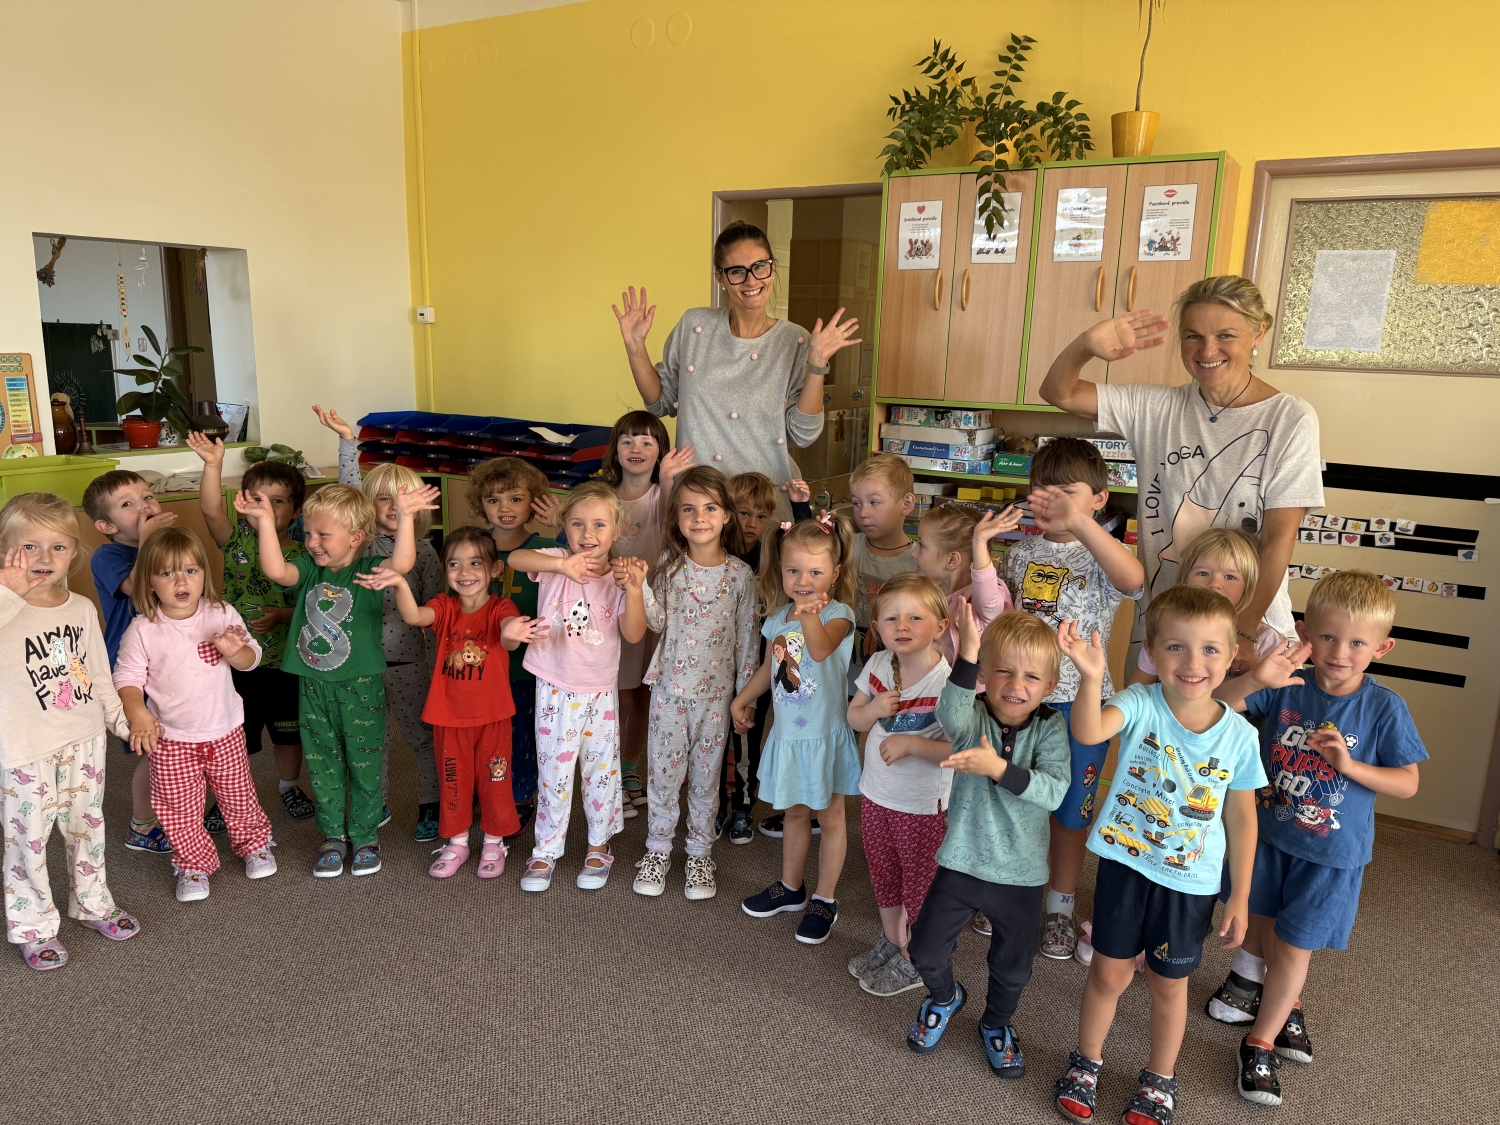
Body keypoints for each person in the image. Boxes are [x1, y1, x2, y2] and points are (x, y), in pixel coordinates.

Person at [1211, 570, 1426, 1109]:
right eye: (1327, 637)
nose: (1340, 653)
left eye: (1357, 643)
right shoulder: (1289, 684)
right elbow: (1217, 705)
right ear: (1305, 633)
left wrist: (1350, 766)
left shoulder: (1384, 708)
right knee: (1261, 927)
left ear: (1382, 648)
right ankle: (1286, 1007)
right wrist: (1257, 678)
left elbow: (1408, 783)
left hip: (1330, 856)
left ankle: (1259, 1042)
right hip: (1267, 837)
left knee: (1295, 945)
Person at [1052, 585, 1265, 1125]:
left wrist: (1240, 894)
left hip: (1189, 883)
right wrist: (1092, 677)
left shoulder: (1241, 737)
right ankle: (1087, 1061)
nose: (1193, 663)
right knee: (1108, 975)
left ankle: (1159, 1078)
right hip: (1125, 867)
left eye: (1210, 649)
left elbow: (1242, 819)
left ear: (1231, 656)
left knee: (1169, 986)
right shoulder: (1140, 703)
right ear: (1151, 651)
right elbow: (1089, 729)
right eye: (1176, 647)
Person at [1038, 275, 1324, 675]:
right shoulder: (1156, 408)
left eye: (1226, 335)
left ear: (1259, 332)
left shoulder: (1289, 417)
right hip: (1163, 635)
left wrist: (1242, 631)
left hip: (1250, 635)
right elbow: (1060, 392)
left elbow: (1279, 538)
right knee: (1144, 719)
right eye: (1193, 337)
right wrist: (1085, 345)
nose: (1207, 351)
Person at [236, 481, 434, 878]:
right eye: (309, 533)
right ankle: (332, 835)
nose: (312, 542)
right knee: (323, 762)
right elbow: (277, 570)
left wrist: (406, 516)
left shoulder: (368, 571)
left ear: (356, 537)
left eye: (323, 534)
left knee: (364, 761)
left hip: (361, 685)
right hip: (313, 685)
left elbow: (402, 564)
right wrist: (264, 522)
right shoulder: (309, 568)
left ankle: (365, 836)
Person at [904, 608, 1070, 1079]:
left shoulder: (1050, 727)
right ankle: (945, 998)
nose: (1016, 685)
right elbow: (949, 712)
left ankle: (996, 1023)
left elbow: (1054, 792)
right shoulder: (971, 714)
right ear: (984, 674)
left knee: (1013, 968)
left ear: (1050, 685)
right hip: (961, 862)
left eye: (1032, 676)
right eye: (1003, 671)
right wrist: (969, 654)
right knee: (925, 951)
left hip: (1020, 875)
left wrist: (996, 767)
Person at [1004, 437, 1144, 957]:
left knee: (1070, 813)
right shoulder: (1019, 553)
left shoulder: (1103, 554)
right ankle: (1010, 891)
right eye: (1042, 491)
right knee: (1016, 800)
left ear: (1099, 499)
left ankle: (1059, 909)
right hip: (1018, 704)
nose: (1052, 502)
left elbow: (1134, 581)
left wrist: (1082, 525)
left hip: (1081, 708)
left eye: (1066, 492)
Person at [614, 220, 861, 498]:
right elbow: (661, 402)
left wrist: (817, 363)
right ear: (720, 277)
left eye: (759, 267)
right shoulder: (694, 326)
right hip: (698, 502)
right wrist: (635, 346)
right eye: (737, 271)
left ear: (773, 268)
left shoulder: (795, 341)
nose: (751, 280)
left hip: (763, 505)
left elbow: (803, 435)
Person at [0, 492, 140, 970]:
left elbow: (95, 672)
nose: (44, 558)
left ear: (74, 553)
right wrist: (8, 591)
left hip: (83, 739)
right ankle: (33, 926)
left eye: (57, 547)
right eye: (29, 547)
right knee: (27, 842)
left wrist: (121, 722)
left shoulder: (79, 607)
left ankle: (93, 903)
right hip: (24, 748)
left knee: (88, 828)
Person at [360, 527, 546, 880]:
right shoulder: (444, 606)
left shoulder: (500, 607)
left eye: (475, 563)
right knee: (454, 783)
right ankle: (458, 842)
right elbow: (415, 617)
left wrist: (513, 631)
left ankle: (494, 842)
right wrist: (399, 583)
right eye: (454, 564)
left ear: (495, 569)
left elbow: (508, 633)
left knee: (494, 781)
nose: (464, 572)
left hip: (493, 717)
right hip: (448, 718)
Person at [113, 528, 277, 902]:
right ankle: (192, 864)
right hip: (171, 738)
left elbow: (251, 659)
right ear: (149, 582)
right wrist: (137, 713)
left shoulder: (221, 613)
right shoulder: (143, 628)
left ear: (204, 572)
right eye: (167, 573)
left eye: (190, 570)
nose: (181, 581)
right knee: (179, 808)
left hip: (224, 730)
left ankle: (255, 844)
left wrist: (235, 652)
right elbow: (126, 677)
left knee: (238, 795)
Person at [510, 482, 648, 893]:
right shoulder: (556, 559)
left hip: (599, 690)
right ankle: (546, 849)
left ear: (617, 530)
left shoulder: (622, 575)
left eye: (599, 524)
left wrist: (634, 589)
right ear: (564, 526)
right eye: (577, 524)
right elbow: (516, 558)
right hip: (554, 685)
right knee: (554, 772)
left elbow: (635, 634)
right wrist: (562, 567)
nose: (588, 533)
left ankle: (598, 846)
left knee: (600, 773)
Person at [732, 511, 861, 946]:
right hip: (788, 736)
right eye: (793, 571)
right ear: (781, 571)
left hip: (825, 737)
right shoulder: (778, 617)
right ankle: (791, 887)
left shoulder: (839, 614)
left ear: (835, 573)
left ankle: (825, 898)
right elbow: (771, 667)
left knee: (832, 817)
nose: (803, 580)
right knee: (794, 813)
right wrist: (743, 699)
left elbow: (820, 650)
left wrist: (807, 616)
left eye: (815, 572)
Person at [318, 405, 446, 841]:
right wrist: (347, 442)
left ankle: (431, 805)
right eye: (384, 498)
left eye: (403, 498)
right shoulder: (362, 543)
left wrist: (438, 665)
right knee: (372, 741)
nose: (394, 506)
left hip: (410, 664)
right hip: (362, 664)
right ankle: (376, 805)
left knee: (422, 737)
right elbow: (348, 492)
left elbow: (436, 609)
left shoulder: (424, 552)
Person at [632, 467, 756, 901]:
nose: (699, 517)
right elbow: (656, 622)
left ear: (726, 516)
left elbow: (747, 641)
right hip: (669, 692)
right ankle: (657, 848)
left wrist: (744, 699)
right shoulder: (670, 568)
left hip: (717, 698)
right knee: (663, 775)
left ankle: (700, 853)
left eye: (709, 508)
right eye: (688, 509)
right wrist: (639, 586)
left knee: (706, 779)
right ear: (677, 517)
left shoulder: (741, 575)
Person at [187, 434, 315, 823]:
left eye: (278, 501)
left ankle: (289, 786)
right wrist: (213, 464)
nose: (267, 508)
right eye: (258, 499)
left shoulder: (304, 555)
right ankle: (229, 798)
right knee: (235, 736)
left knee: (288, 732)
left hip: (286, 662)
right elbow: (211, 511)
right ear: (243, 503)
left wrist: (282, 615)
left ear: (296, 511)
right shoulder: (237, 541)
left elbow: (312, 609)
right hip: (237, 662)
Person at [845, 573, 953, 998]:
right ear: (877, 626)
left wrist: (911, 744)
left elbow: (958, 752)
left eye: (915, 618)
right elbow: (854, 718)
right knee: (884, 873)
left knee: (920, 886)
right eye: (891, 618)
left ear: (940, 627)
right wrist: (873, 709)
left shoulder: (946, 683)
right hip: (876, 794)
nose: (902, 626)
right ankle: (894, 940)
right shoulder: (877, 665)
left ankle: (917, 956)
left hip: (921, 805)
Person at [598, 409, 690, 817]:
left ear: (660, 452)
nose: (636, 448)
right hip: (614, 610)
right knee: (617, 694)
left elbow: (673, 525)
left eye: (646, 442)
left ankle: (630, 768)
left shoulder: (661, 494)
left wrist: (668, 480)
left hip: (656, 608)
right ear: (615, 449)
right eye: (628, 440)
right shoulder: (603, 497)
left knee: (644, 695)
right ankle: (609, 773)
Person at [82, 469, 176, 853]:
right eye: (128, 504)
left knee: (177, 739)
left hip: (168, 660)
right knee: (154, 749)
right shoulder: (108, 555)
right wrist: (150, 538)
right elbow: (138, 590)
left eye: (148, 496)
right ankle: (142, 824)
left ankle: (175, 812)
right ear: (107, 525)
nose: (145, 505)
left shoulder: (164, 545)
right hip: (132, 667)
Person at [716, 471, 812, 843]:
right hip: (716, 658)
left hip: (762, 661)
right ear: (728, 513)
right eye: (744, 514)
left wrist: (801, 508)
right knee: (715, 736)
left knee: (747, 733)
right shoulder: (716, 550)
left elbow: (806, 546)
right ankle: (714, 805)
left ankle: (742, 806)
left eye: (761, 516)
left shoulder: (771, 550)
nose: (752, 523)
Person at [470, 455, 561, 834]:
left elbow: (588, 564)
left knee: (522, 734)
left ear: (533, 502)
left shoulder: (549, 548)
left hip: (529, 665)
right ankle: (482, 789)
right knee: (480, 733)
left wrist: (560, 524)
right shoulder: (471, 547)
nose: (504, 508)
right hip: (480, 665)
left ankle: (520, 796)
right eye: (494, 500)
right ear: (481, 504)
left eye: (515, 499)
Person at [1127, 528, 1282, 688]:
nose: (1214, 584)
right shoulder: (1166, 628)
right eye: (1203, 573)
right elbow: (1136, 690)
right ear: (1185, 578)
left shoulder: (1264, 639)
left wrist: (1254, 665)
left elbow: (1272, 692)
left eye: (1230, 577)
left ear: (1248, 587)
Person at [911, 502, 1016, 664]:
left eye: (921, 545)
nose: (914, 553)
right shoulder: (928, 592)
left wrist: (979, 541)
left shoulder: (984, 601)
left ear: (952, 560)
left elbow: (987, 596)